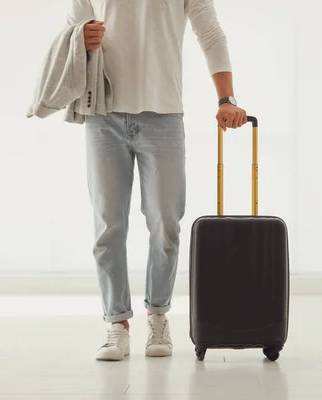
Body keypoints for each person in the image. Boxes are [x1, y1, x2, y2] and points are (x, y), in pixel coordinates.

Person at [66, 0, 247, 361]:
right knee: (108, 226)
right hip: (103, 113)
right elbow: (70, 35)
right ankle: (117, 323)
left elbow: (210, 33)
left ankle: (158, 316)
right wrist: (79, 39)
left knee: (166, 223)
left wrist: (226, 98)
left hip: (163, 116)